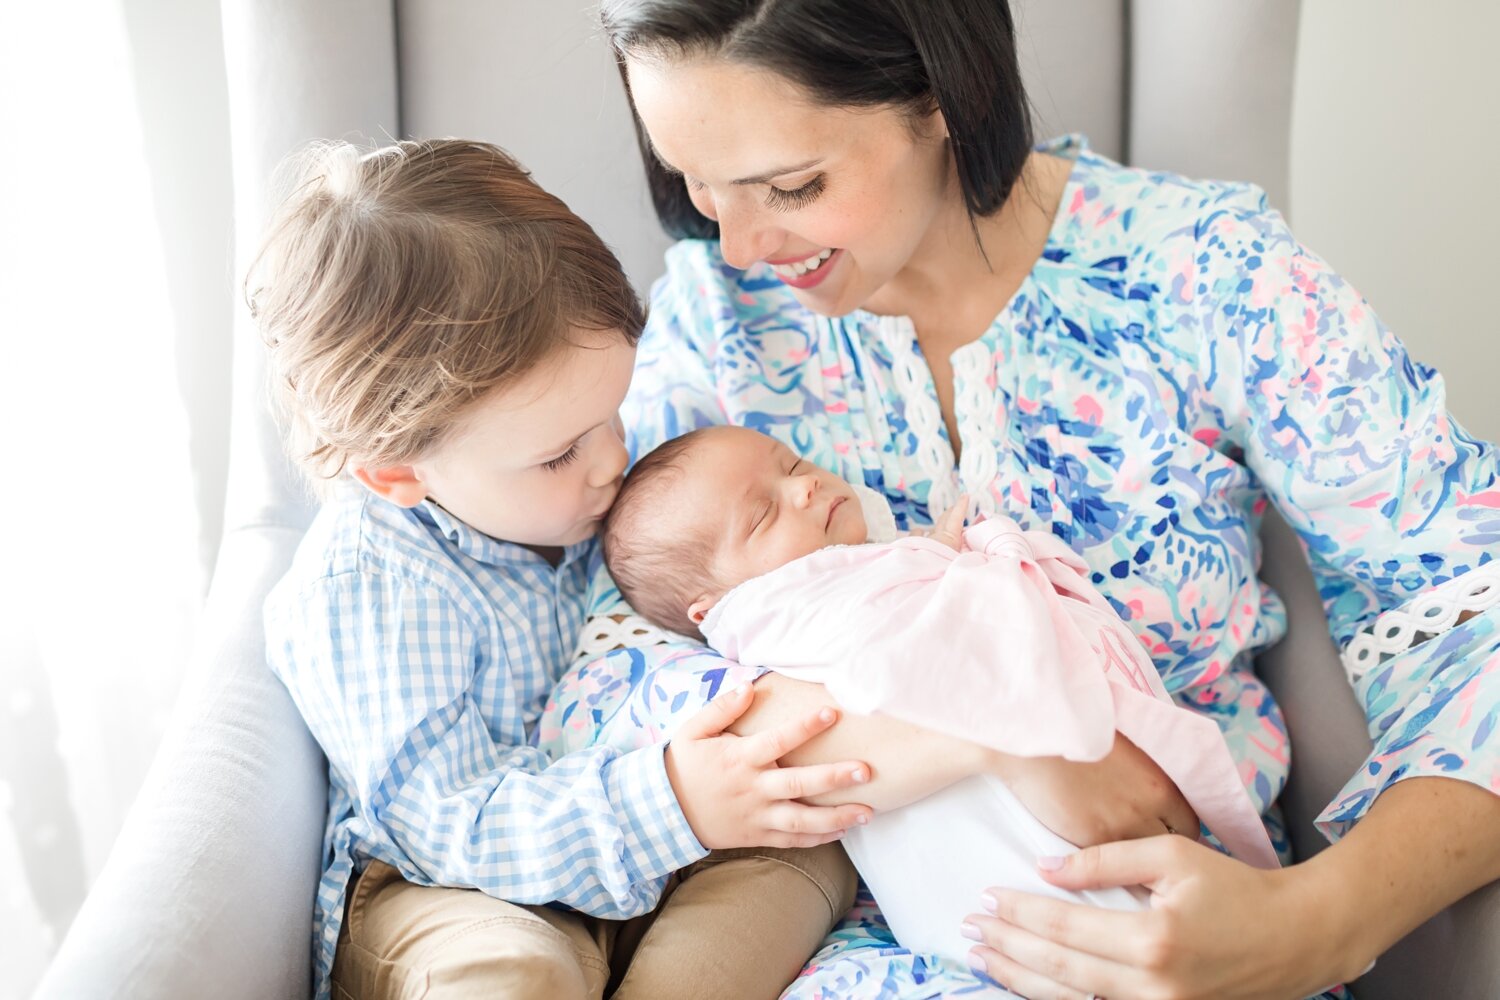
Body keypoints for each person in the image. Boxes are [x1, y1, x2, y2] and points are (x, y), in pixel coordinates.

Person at [538, 1, 1500, 997]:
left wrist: (1320, 919)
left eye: (790, 185)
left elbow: (1479, 616)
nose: (737, 244)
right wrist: (997, 732)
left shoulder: (1210, 275)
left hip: (1179, 937)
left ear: (944, 94)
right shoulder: (712, 324)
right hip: (844, 957)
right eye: (696, 184)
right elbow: (603, 693)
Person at [250, 138, 880, 1000]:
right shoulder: (370, 587)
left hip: (658, 833)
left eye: (611, 414)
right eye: (558, 456)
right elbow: (444, 821)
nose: (609, 462)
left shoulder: (615, 461)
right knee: (511, 974)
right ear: (398, 472)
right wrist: (668, 803)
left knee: (800, 847)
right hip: (456, 883)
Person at [601, 423, 1281, 967]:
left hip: (1120, 833)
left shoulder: (872, 571)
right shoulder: (770, 620)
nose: (803, 489)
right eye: (763, 514)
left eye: (790, 465)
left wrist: (938, 562)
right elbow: (886, 660)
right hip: (1004, 880)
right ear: (713, 607)